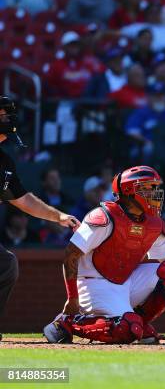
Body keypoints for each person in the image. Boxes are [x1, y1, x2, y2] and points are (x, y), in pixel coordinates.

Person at [42, 166, 165, 344]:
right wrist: (72, 298)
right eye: (149, 188)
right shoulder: (104, 216)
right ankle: (65, 322)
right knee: (127, 329)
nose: (156, 193)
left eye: (156, 188)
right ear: (130, 191)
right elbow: (71, 254)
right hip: (94, 284)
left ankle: (140, 323)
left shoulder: (153, 222)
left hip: (125, 281)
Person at [0, 96, 80, 341]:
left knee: (5, 265)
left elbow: (23, 200)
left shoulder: (4, 162)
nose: (7, 118)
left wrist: (58, 216)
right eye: (2, 114)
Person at [46, 31, 104, 98]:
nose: (74, 48)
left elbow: (101, 71)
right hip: (64, 101)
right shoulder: (57, 65)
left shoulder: (86, 61)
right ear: (64, 47)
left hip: (87, 100)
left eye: (76, 44)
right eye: (71, 45)